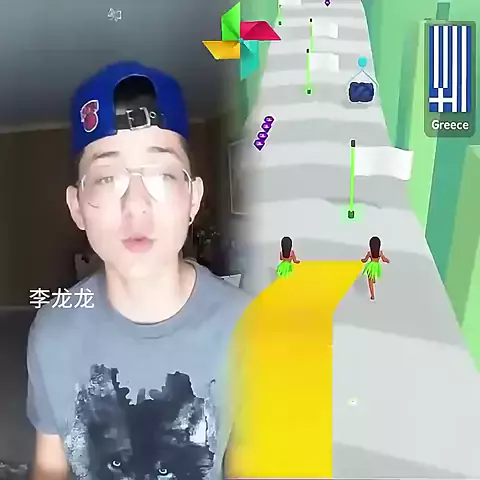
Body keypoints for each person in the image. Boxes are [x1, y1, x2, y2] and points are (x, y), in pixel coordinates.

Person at [26, 61, 251, 480]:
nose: (136, 205)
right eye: (106, 178)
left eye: (162, 175)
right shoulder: (52, 332)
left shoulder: (249, 328)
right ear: (77, 207)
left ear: (193, 199)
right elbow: (48, 466)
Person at [361, 235, 390, 300]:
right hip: (376, 266)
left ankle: (372, 295)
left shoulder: (370, 253)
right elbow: (384, 259)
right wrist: (387, 260)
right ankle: (374, 279)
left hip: (371, 265)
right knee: (374, 273)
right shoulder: (380, 253)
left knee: (370, 281)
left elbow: (365, 260)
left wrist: (362, 260)